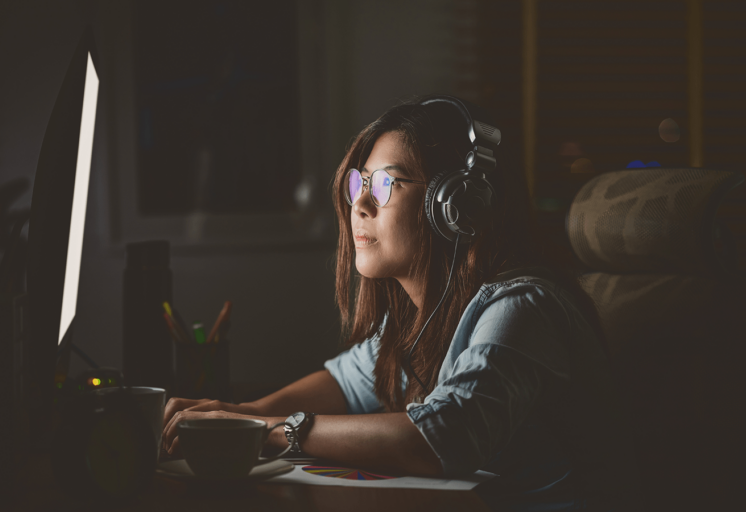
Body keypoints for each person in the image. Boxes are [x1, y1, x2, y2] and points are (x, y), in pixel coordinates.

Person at [162, 96, 640, 510]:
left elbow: (439, 437)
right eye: (358, 183)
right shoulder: (417, 316)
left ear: (457, 207)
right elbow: (343, 384)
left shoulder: (523, 306)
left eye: (386, 184)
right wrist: (238, 412)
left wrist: (268, 429)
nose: (361, 205)